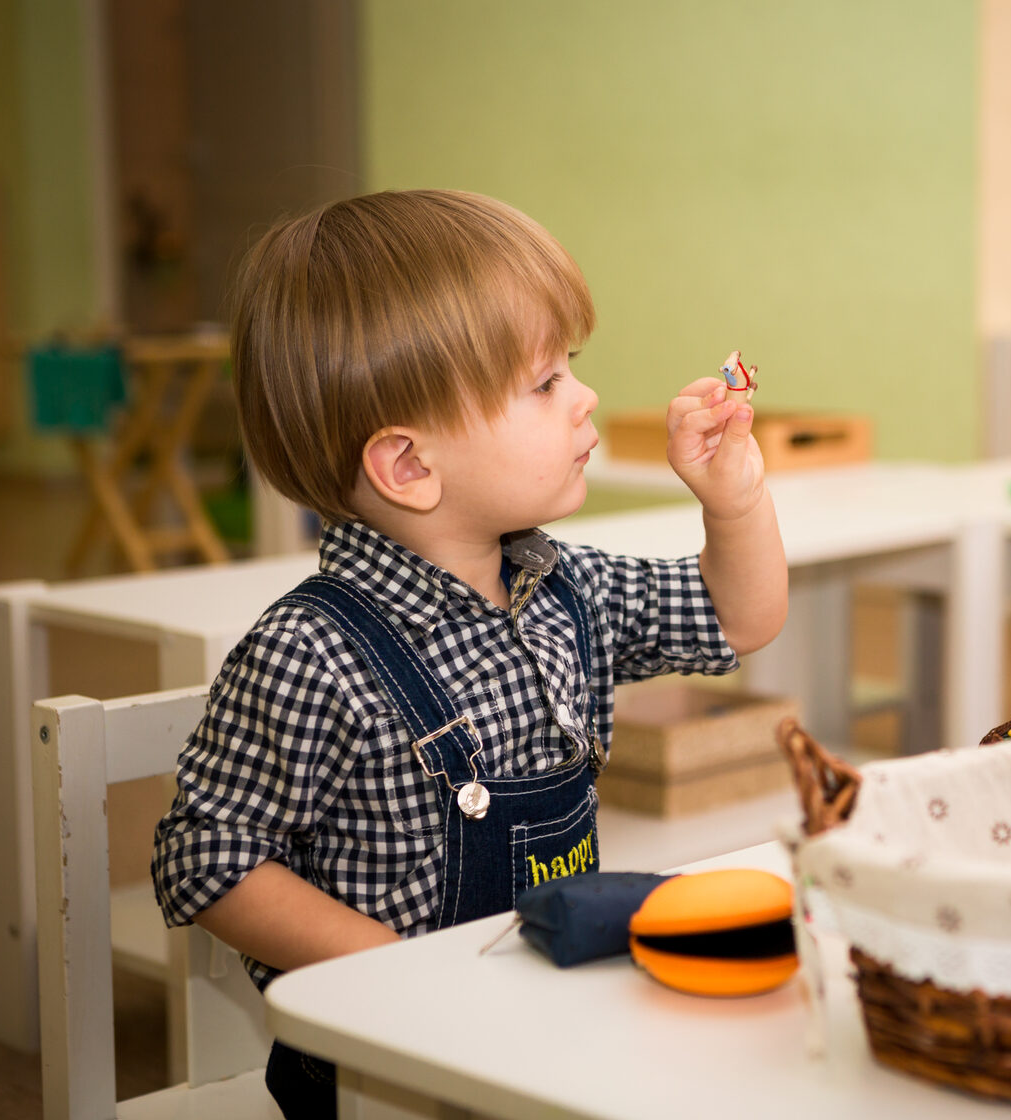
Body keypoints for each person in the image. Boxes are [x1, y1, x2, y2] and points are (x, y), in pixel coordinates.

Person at [151, 189, 787, 1117]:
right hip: (391, 1068)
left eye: (571, 367)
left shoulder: (567, 587)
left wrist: (733, 501)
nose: (586, 397)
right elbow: (203, 856)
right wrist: (394, 969)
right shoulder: (312, 653)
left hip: (550, 1014)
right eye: (546, 383)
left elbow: (740, 619)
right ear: (409, 466)